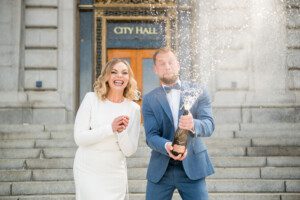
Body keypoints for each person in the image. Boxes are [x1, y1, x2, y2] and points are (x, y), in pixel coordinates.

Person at [142, 48, 215, 200]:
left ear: (178, 65)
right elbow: (151, 136)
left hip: (193, 166)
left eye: (170, 62)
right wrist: (167, 146)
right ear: (155, 69)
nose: (167, 66)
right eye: (161, 64)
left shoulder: (198, 90)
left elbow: (209, 125)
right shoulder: (149, 99)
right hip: (161, 168)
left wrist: (193, 124)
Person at [73, 58, 141, 200]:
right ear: (106, 76)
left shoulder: (133, 108)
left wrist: (121, 131)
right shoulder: (91, 99)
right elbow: (79, 138)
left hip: (115, 172)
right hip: (88, 169)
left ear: (129, 78)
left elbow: (129, 151)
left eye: (124, 73)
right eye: (114, 72)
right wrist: (110, 128)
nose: (119, 76)